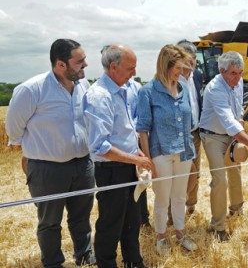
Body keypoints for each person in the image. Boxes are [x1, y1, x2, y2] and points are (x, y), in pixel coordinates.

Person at [5, 39, 96, 267]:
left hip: (83, 165)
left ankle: (84, 256)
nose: (85, 64)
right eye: (80, 61)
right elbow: (14, 130)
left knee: (81, 217)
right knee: (49, 222)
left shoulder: (83, 86)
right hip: (47, 169)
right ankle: (53, 262)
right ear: (60, 64)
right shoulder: (31, 90)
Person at [83, 44, 153, 268]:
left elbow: (124, 130)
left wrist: (136, 151)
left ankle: (133, 262)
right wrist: (136, 159)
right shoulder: (99, 97)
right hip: (111, 170)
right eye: (130, 68)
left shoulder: (125, 89)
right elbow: (100, 147)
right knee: (111, 224)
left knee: (132, 220)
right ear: (113, 67)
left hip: (127, 165)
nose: (134, 73)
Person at [199, 51, 248, 242]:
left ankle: (236, 209)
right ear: (221, 71)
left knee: (235, 171)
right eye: (233, 73)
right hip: (213, 137)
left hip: (231, 134)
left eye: (240, 72)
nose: (238, 77)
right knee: (219, 179)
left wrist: (240, 121)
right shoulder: (215, 88)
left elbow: (238, 107)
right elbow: (227, 120)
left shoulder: (238, 81)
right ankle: (218, 227)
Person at [136, 44, 198, 255]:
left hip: (184, 152)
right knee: (162, 198)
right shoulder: (148, 92)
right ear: (166, 65)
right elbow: (143, 129)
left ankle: (180, 233)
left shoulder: (183, 90)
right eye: (179, 68)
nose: (182, 73)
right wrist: (148, 160)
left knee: (180, 196)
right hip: (160, 153)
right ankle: (161, 236)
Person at [177, 39, 204, 215]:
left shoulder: (198, 75)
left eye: (194, 57)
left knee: (196, 170)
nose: (192, 62)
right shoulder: (170, 79)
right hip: (178, 136)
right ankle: (174, 211)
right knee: (179, 174)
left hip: (195, 133)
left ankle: (191, 205)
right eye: (189, 58)